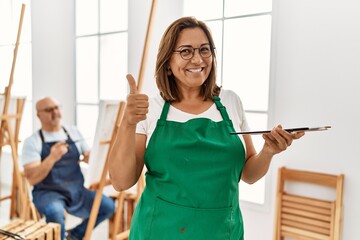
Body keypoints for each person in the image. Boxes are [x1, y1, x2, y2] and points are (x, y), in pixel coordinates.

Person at [108, 16, 305, 240]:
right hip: (160, 231)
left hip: (221, 232)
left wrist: (268, 151)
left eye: (204, 49)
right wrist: (128, 122)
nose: (197, 59)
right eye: (185, 51)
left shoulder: (231, 102)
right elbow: (121, 181)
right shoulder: (151, 108)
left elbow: (248, 175)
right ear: (168, 62)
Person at [22, 97, 115, 240]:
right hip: (48, 192)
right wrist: (52, 157)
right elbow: (32, 179)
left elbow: (90, 157)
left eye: (57, 107)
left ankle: (74, 235)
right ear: (38, 115)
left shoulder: (72, 131)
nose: (55, 112)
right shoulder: (32, 142)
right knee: (55, 212)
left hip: (76, 189)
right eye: (48, 110)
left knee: (108, 206)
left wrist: (90, 157)